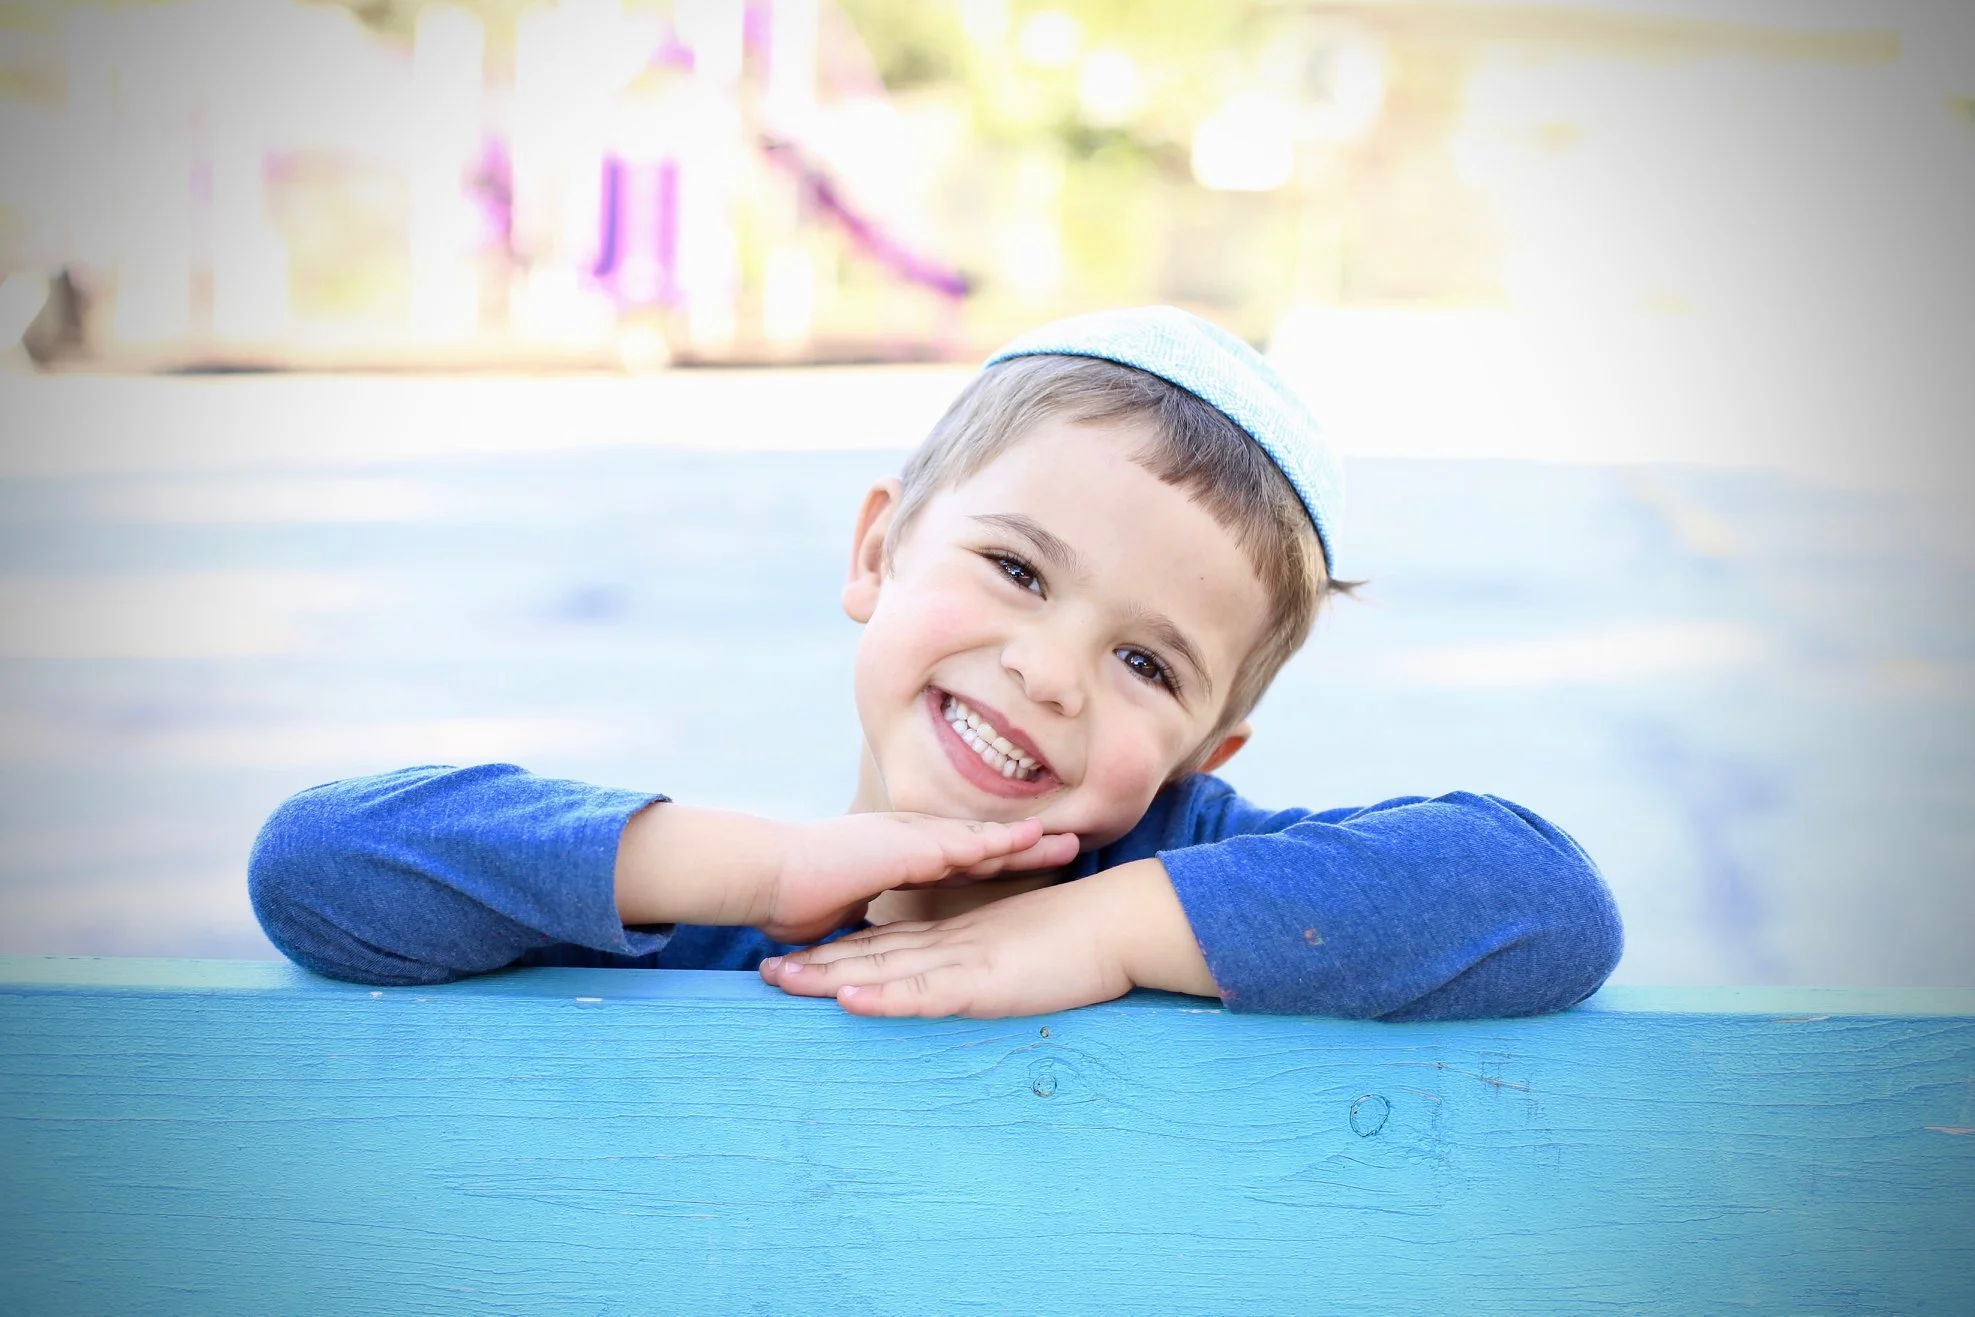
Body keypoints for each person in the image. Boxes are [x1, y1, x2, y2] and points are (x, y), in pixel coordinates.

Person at [248, 306, 1623, 1020]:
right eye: (1015, 572)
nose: (1049, 674)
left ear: (1205, 755)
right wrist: (762, 875)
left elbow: (1545, 898)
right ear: (878, 551)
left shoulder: (1189, 865)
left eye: (1147, 663)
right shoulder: (732, 912)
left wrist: (1098, 932)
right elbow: (315, 869)